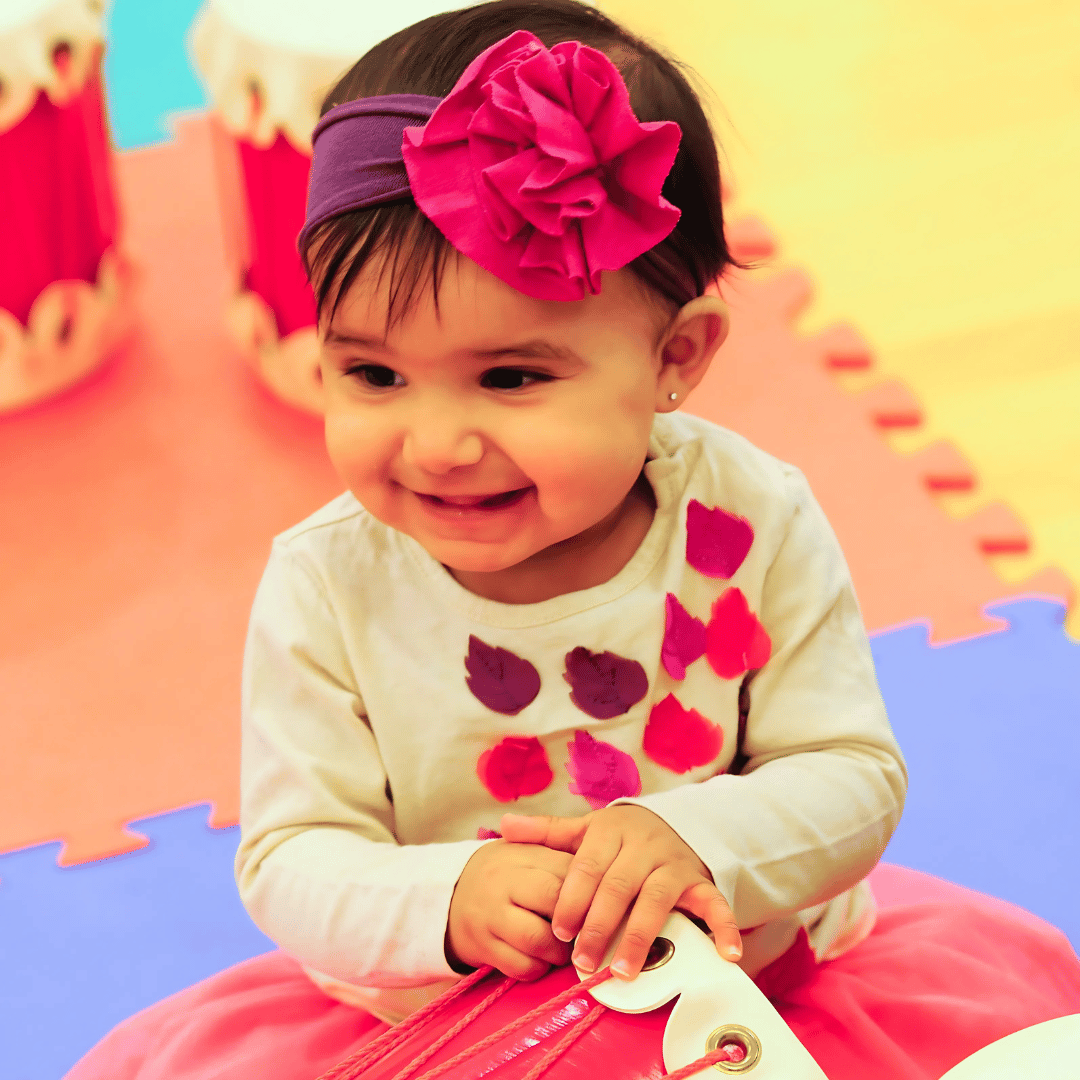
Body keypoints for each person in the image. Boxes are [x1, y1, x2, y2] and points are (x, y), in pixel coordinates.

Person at [67, 2, 1080, 1078]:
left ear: (674, 355)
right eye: (374, 375)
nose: (439, 442)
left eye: (511, 378)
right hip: (443, 1031)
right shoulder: (328, 585)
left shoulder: (751, 519)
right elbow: (291, 856)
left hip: (759, 1006)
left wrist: (700, 840)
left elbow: (849, 774)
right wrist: (448, 900)